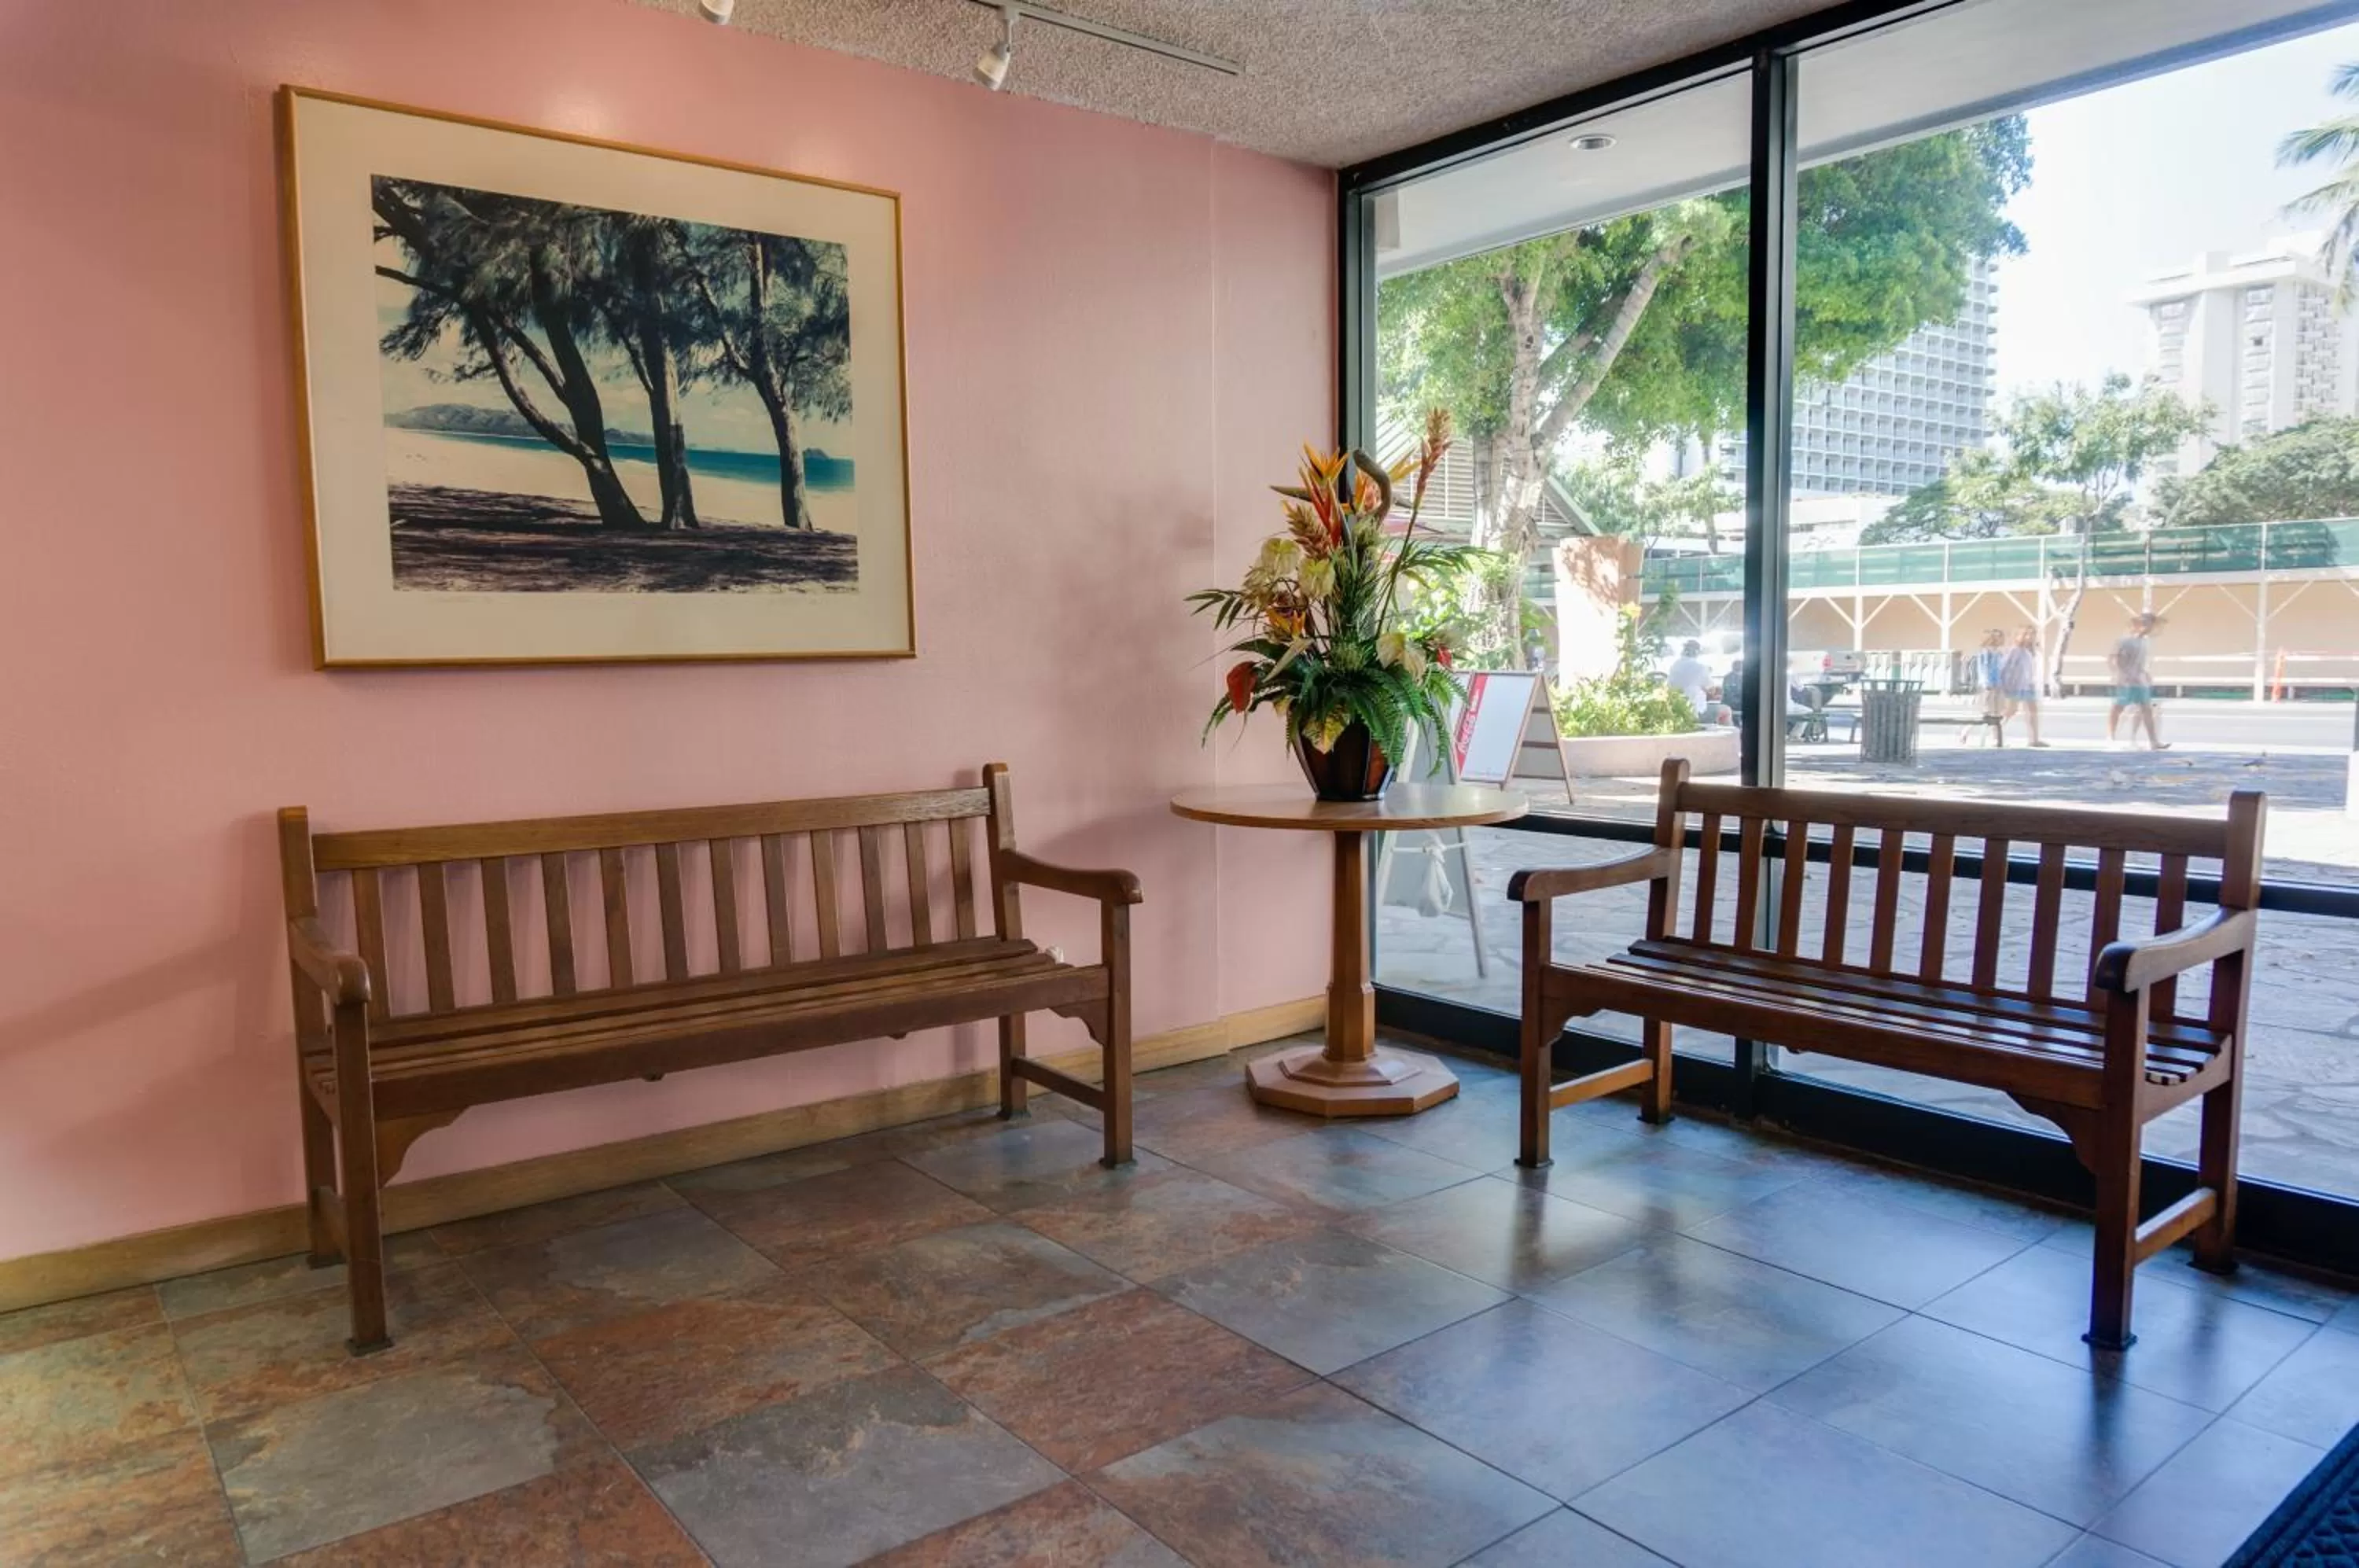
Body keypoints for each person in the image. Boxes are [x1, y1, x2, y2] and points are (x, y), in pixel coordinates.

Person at [2108, 611, 2169, 750]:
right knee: (2118, 707)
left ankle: (2153, 741)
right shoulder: (2124, 641)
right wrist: (2119, 674)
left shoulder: (2143, 642)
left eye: (2150, 625)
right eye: (2146, 624)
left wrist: (2145, 674)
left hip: (2139, 680)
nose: (2149, 628)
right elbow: (2113, 658)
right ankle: (2110, 737)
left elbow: (2139, 662)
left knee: (2146, 708)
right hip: (2125, 680)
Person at [2000, 624, 2047, 746]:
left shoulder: (2030, 651)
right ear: (2018, 636)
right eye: (2026, 634)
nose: (2029, 637)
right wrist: (2006, 684)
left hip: (2028, 685)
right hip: (2016, 685)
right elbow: (2005, 667)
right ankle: (1995, 732)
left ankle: (2033, 740)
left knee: (2032, 711)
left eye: (2032, 634)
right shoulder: (2015, 650)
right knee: (2010, 711)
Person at [1972, 629, 2008, 742]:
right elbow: (1983, 669)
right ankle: (1966, 732)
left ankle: (1996, 739)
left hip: (1998, 684)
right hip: (1988, 685)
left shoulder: (1999, 653)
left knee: (1996, 713)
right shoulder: (1985, 653)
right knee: (1985, 713)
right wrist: (1986, 682)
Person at [1666, 639, 1712, 717]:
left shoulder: (1675, 665)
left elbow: (1669, 684)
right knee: (1725, 710)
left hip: (1675, 707)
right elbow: (1709, 686)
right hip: (1696, 708)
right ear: (1697, 652)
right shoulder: (1700, 667)